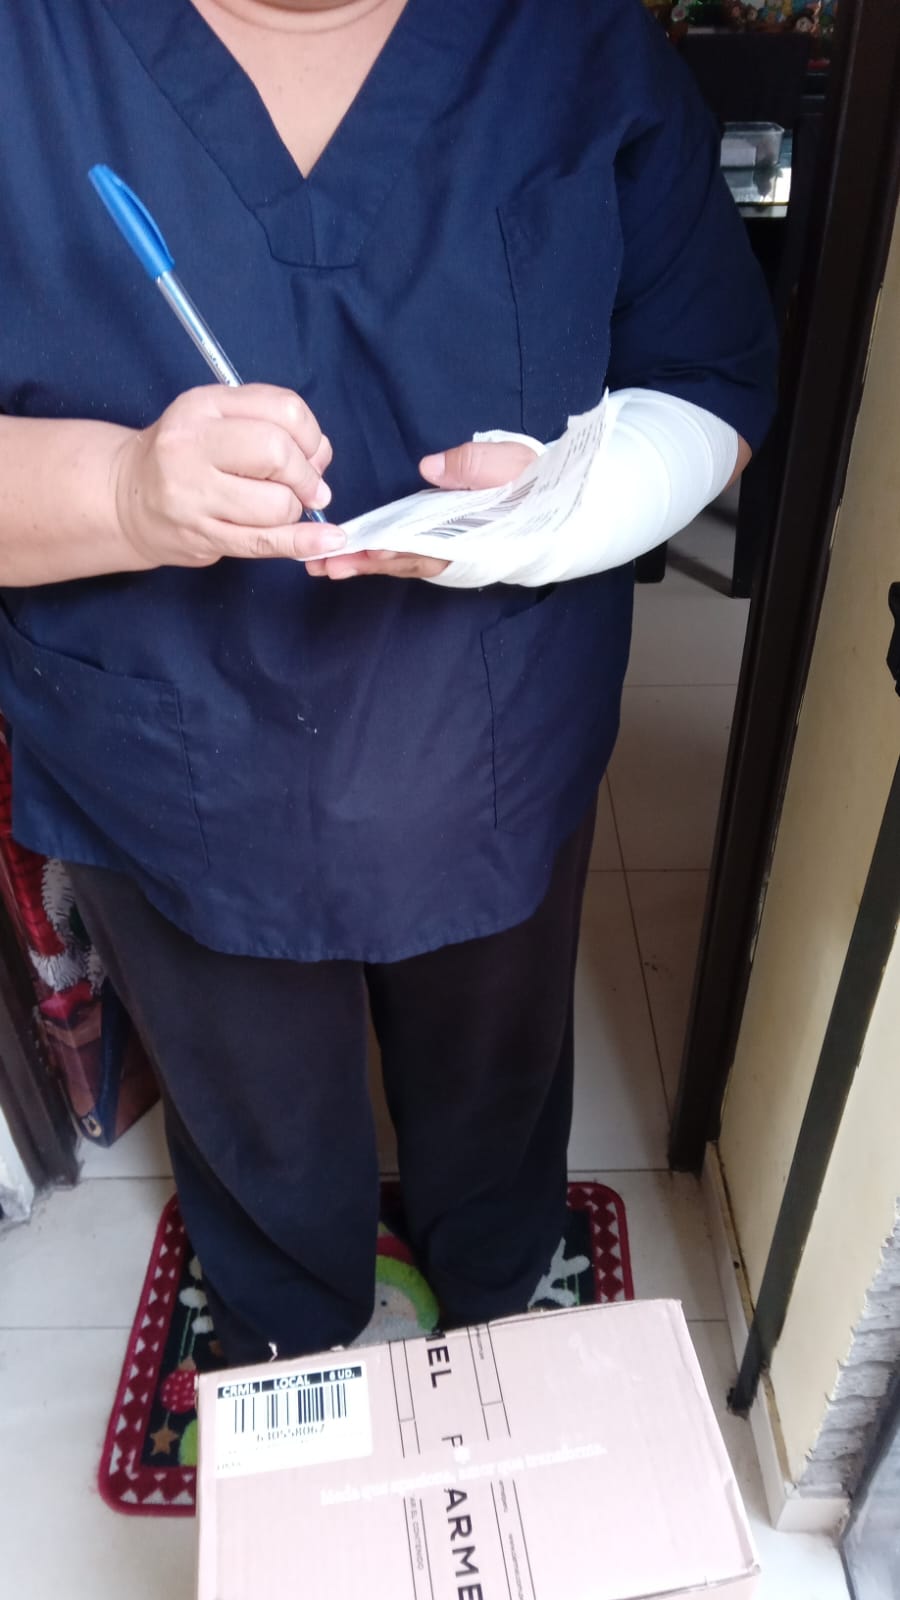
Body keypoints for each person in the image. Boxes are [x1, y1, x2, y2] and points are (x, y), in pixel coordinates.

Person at [0, 0, 775, 1364]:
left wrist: (576, 503)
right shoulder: (33, 54)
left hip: (488, 725)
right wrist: (121, 491)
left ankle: (497, 1281)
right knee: (256, 1117)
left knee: (496, 1086)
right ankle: (290, 1323)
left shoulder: (576, 45)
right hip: (170, 745)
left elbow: (707, 372)